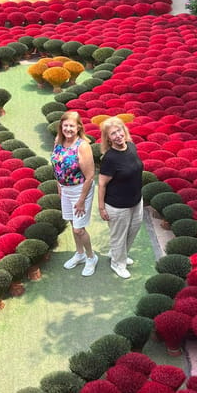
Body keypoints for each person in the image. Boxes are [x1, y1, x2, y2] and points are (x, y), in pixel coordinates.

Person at [51, 111, 98, 276]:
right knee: (72, 223)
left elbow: (90, 176)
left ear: (78, 127)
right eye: (65, 125)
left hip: (80, 190)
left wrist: (81, 200)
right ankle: (80, 254)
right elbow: (56, 165)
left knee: (79, 229)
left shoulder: (83, 146)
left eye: (72, 126)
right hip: (65, 189)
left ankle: (91, 257)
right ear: (61, 126)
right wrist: (59, 186)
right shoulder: (58, 141)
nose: (68, 129)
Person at [98, 117, 144, 279]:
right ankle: (117, 263)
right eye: (113, 134)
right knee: (119, 236)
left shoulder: (131, 146)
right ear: (108, 139)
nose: (118, 135)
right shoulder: (110, 158)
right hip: (117, 206)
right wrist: (102, 207)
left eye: (119, 131)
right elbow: (102, 183)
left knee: (133, 230)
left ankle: (118, 254)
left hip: (136, 201)